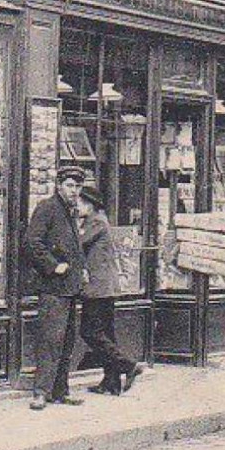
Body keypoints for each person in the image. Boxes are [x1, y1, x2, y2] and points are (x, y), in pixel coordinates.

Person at [23, 164, 89, 410]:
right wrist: (53, 266)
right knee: (50, 340)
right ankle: (40, 392)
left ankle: (60, 391)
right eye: (70, 186)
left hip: (70, 288)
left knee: (67, 342)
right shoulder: (47, 208)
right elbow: (31, 243)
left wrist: (81, 267)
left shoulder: (70, 211)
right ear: (59, 186)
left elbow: (74, 246)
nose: (74, 191)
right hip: (52, 288)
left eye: (78, 186)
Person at [77, 184, 147, 395]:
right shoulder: (95, 220)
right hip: (105, 287)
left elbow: (78, 243)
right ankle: (112, 382)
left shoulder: (97, 221)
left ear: (90, 205)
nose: (76, 207)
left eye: (79, 203)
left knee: (89, 332)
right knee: (106, 334)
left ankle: (129, 366)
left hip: (98, 288)